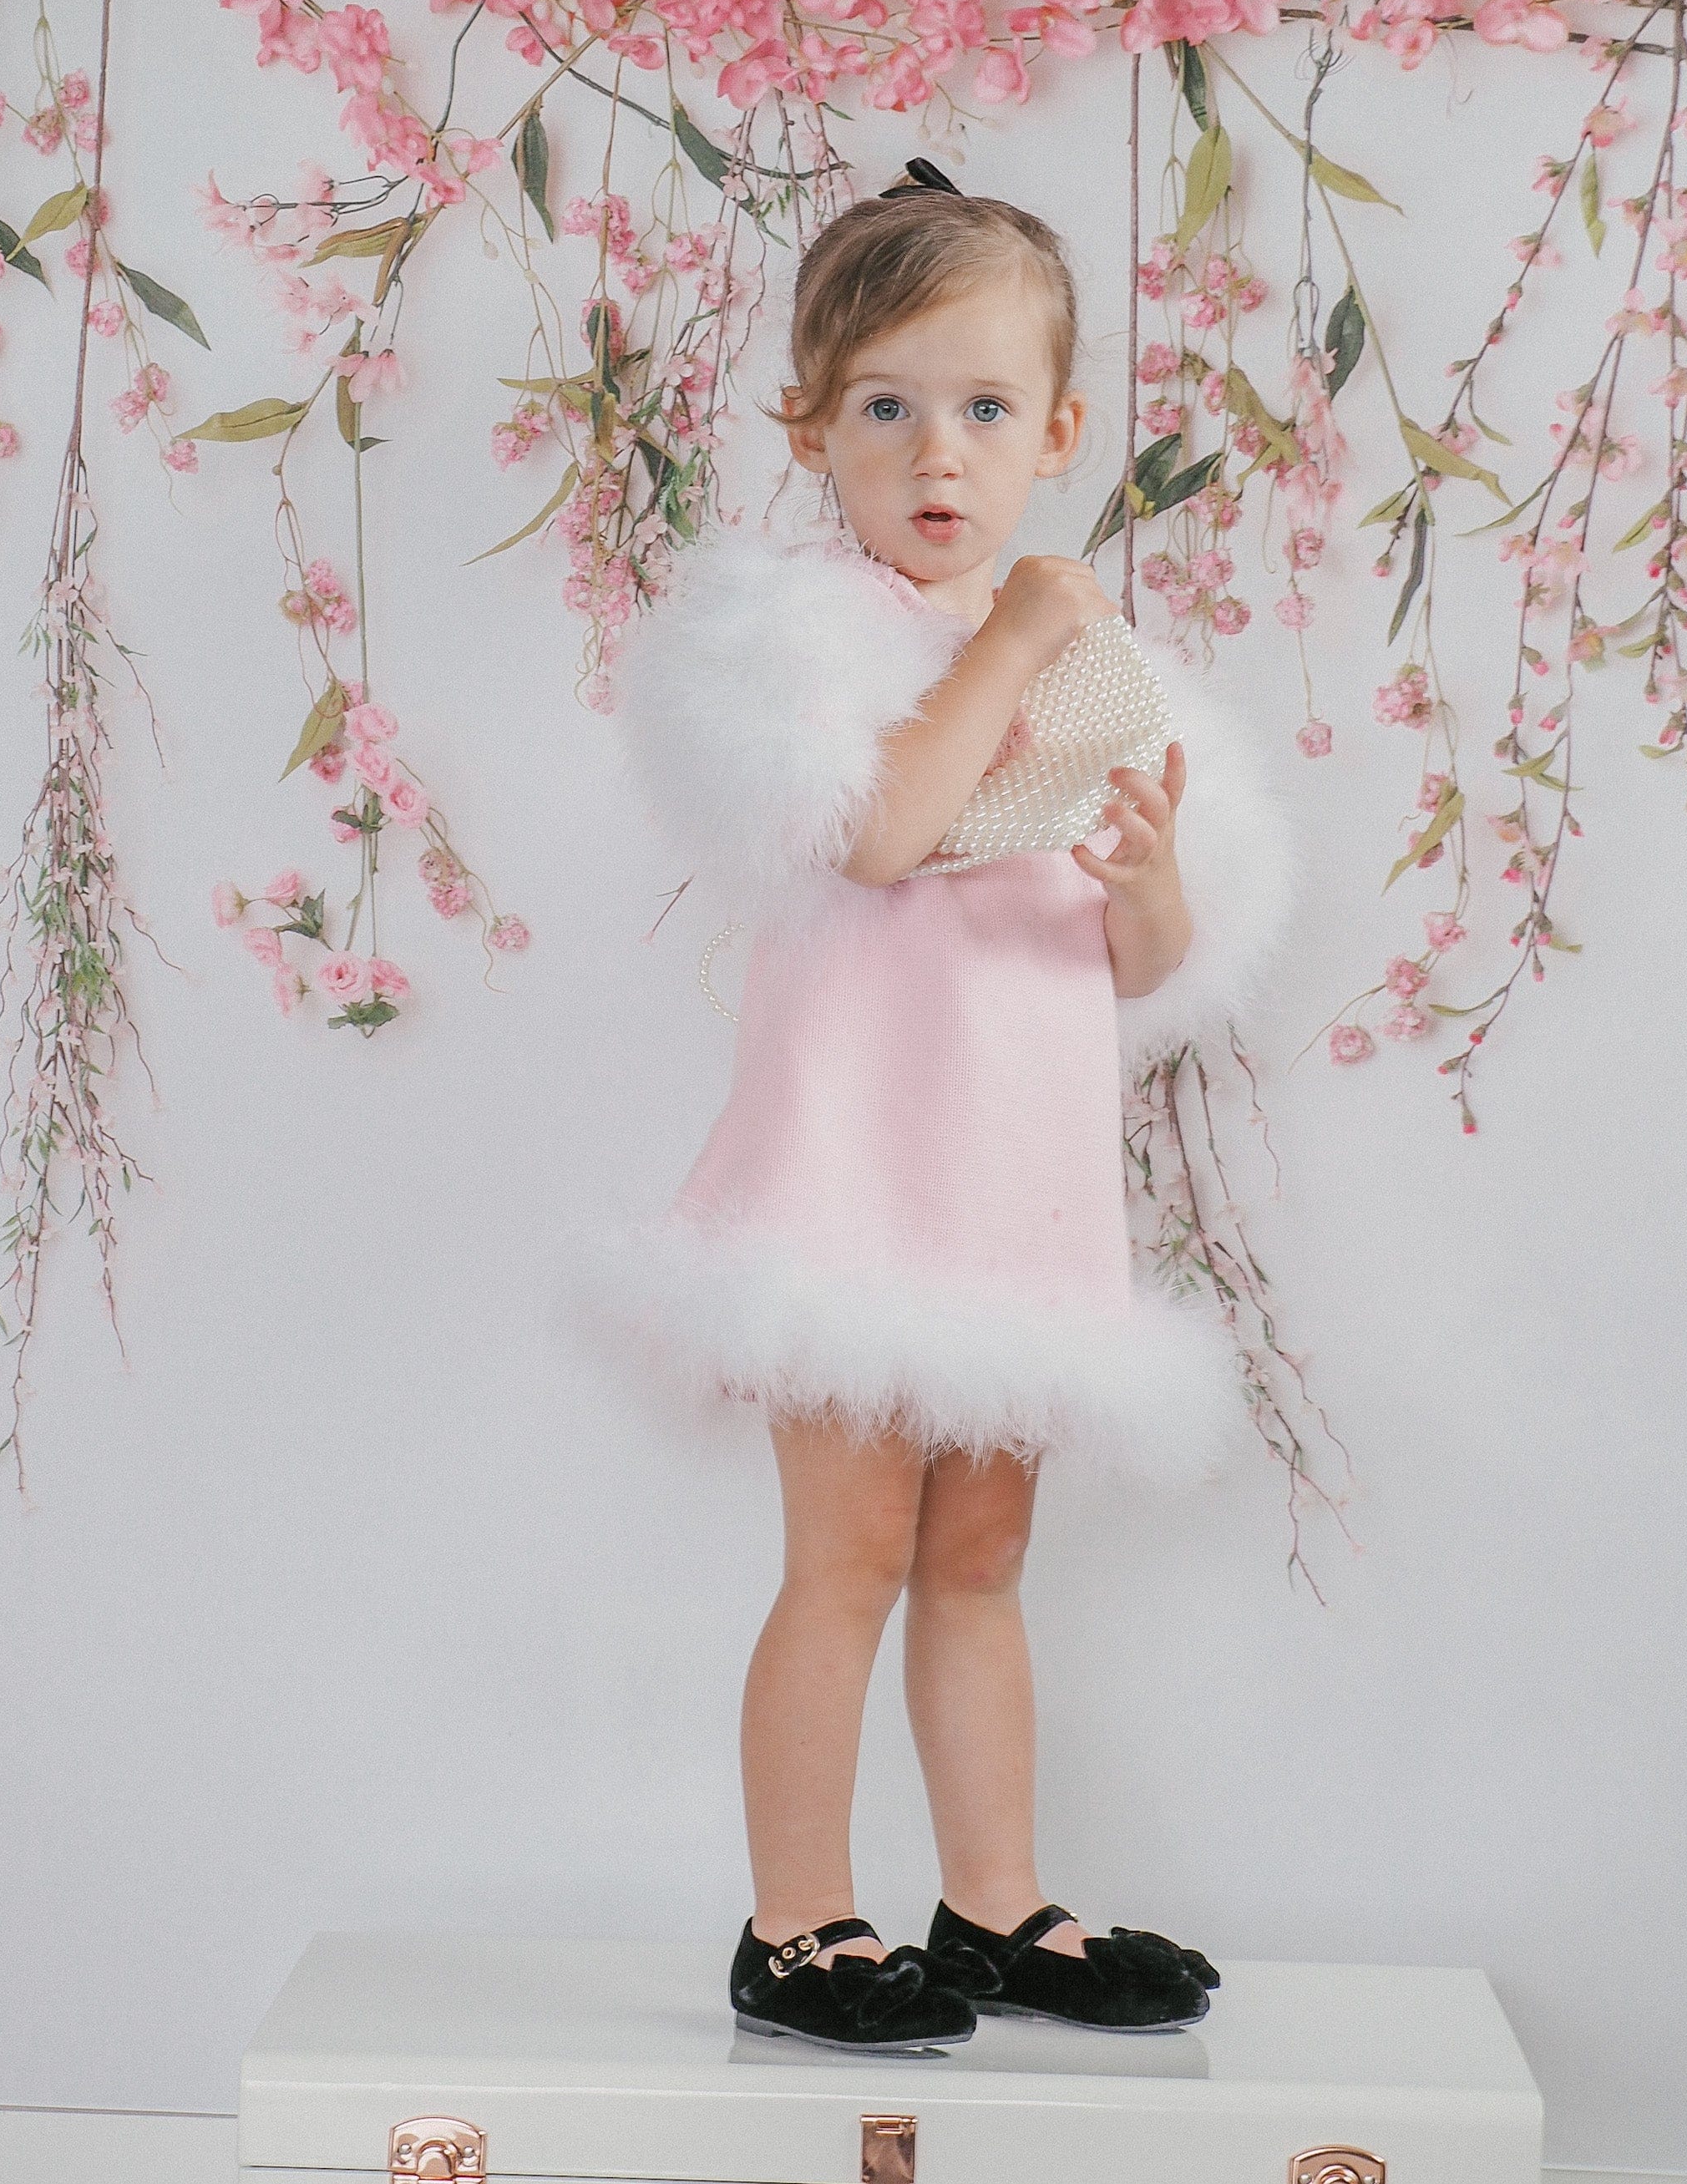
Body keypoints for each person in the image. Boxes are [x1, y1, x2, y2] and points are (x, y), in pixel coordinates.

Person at [575, 177, 1299, 2055]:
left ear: (1058, 431)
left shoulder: (1095, 674)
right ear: (811, 424)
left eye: (983, 408)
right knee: (849, 1558)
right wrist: (1013, 639)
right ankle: (797, 1924)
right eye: (883, 406)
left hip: (1012, 1188)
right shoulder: (802, 641)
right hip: (850, 1187)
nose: (934, 454)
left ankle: (993, 1903)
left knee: (980, 1561)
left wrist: (1147, 876)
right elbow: (887, 833)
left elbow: (1135, 963)